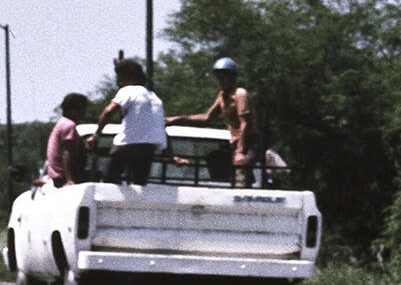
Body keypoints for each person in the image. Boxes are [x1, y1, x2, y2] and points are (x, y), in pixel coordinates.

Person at [168, 56, 257, 188]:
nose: (221, 80)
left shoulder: (240, 94)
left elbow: (245, 124)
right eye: (218, 77)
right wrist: (176, 119)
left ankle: (241, 200)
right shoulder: (222, 96)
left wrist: (240, 151)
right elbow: (206, 118)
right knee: (214, 158)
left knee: (240, 166)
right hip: (235, 142)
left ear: (232, 77)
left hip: (250, 142)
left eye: (224, 76)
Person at [86, 57, 166, 186]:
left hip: (127, 145)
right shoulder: (155, 97)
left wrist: (96, 135)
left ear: (124, 77)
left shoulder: (127, 91)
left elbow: (109, 111)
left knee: (110, 181)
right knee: (139, 183)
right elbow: (160, 126)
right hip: (148, 149)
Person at [43, 92, 89, 187]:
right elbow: (66, 153)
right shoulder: (69, 125)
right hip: (62, 177)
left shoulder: (62, 123)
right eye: (81, 108)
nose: (84, 112)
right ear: (72, 110)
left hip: (57, 176)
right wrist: (70, 180)